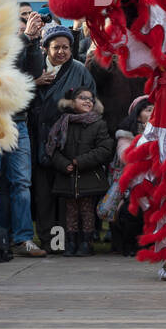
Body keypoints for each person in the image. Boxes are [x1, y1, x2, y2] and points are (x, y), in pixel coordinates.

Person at [30, 23, 96, 253]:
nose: (61, 52)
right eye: (56, 47)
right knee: (43, 195)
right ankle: (49, 242)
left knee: (65, 196)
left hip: (68, 143)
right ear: (45, 47)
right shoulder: (34, 67)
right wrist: (33, 83)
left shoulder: (79, 70)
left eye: (66, 47)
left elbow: (90, 103)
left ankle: (66, 242)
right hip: (37, 139)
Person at [0, 5, 46, 258]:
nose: (29, 23)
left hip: (19, 122)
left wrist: (34, 44)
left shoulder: (25, 43)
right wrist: (25, 37)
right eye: (24, 20)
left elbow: (36, 74)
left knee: (21, 183)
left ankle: (23, 238)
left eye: (30, 20)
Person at [45, 89, 114, 257]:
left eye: (90, 99)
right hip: (67, 176)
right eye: (82, 98)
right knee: (70, 211)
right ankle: (70, 242)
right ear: (71, 102)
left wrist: (80, 161)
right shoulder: (62, 122)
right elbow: (52, 149)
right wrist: (64, 164)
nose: (87, 101)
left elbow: (105, 149)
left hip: (89, 176)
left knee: (87, 210)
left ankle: (86, 243)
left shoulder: (98, 123)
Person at [109, 96, 151, 256]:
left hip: (156, 185)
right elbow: (126, 156)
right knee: (132, 212)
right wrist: (146, 137)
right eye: (148, 110)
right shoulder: (126, 133)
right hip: (132, 186)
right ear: (137, 113)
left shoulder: (165, 132)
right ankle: (131, 245)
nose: (153, 113)